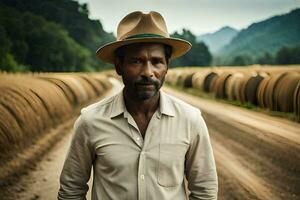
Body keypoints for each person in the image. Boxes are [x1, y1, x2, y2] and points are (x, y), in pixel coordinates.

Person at [58, 11, 218, 200]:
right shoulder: (90, 121)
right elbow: (71, 191)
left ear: (167, 66)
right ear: (119, 66)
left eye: (157, 62)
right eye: (136, 61)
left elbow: (204, 190)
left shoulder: (190, 120)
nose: (148, 72)